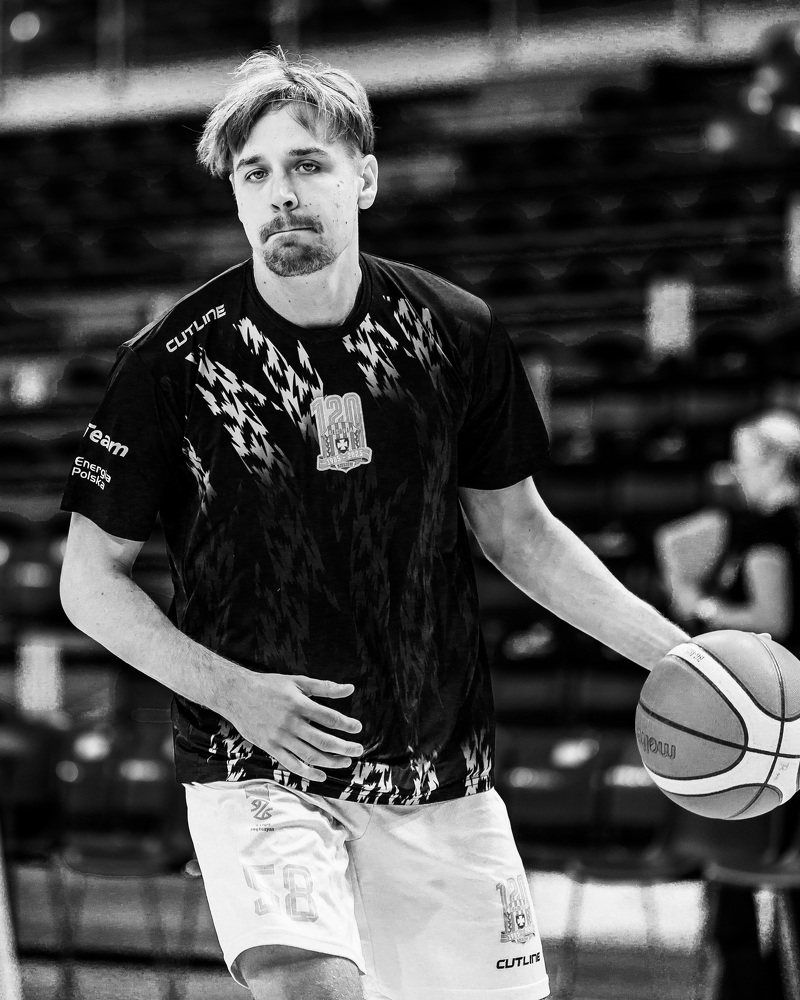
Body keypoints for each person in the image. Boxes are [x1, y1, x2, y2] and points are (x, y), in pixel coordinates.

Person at [59, 48, 688, 1000]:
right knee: (311, 987)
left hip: (439, 768)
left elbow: (520, 533)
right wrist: (234, 693)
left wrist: (679, 657)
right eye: (254, 174)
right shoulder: (170, 364)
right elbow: (88, 580)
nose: (280, 193)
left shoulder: (455, 331)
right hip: (256, 760)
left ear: (365, 178)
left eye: (307, 164)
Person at [656, 409, 800, 1000]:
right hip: (779, 717)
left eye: (743, 461)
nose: (736, 474)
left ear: (774, 462)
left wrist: (703, 609)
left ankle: (746, 985)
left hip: (773, 721)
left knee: (746, 868)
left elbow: (772, 619)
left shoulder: (770, 530)